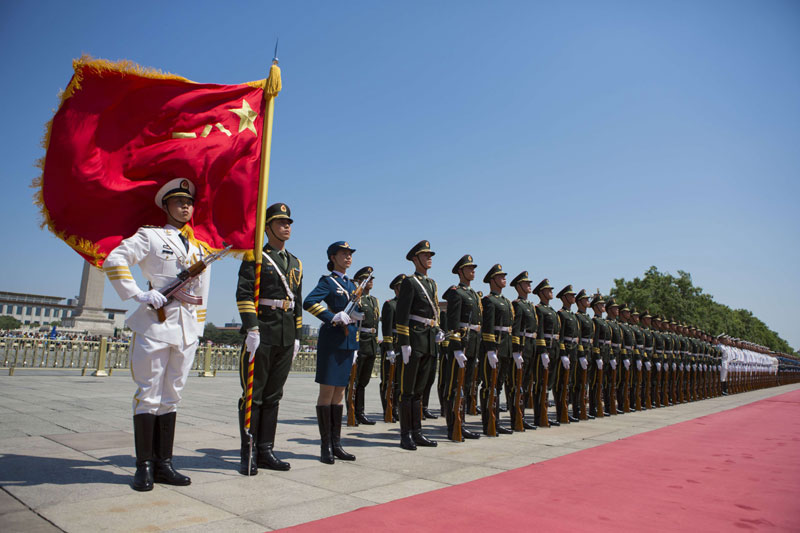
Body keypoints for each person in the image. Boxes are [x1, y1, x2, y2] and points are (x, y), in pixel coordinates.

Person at [104, 178, 209, 491]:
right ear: (165, 206)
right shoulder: (150, 236)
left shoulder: (202, 248)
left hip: (186, 328)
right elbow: (115, 260)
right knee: (149, 394)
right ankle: (144, 465)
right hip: (155, 324)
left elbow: (203, 292)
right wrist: (138, 294)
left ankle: (165, 463)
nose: (185, 207)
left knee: (172, 396)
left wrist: (198, 329)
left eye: (189, 202)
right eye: (178, 202)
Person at [235, 202, 302, 475]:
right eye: (280, 222)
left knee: (274, 395)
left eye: (288, 223)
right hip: (263, 330)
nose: (286, 227)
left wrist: (297, 335)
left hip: (285, 333)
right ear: (268, 227)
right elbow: (244, 293)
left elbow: (296, 301)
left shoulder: (295, 262)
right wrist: (251, 327)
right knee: (254, 395)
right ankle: (248, 452)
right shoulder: (256, 256)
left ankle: (266, 450)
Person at [303, 241, 359, 464]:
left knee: (339, 395)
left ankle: (337, 444)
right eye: (343, 254)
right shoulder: (328, 281)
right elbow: (309, 302)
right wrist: (331, 316)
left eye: (350, 254)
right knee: (327, 393)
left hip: (348, 342)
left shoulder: (353, 285)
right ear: (333, 257)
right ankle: (325, 446)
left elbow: (356, 313)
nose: (348, 257)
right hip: (332, 340)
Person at [395, 240, 441, 450]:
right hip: (414, 340)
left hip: (429, 340)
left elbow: (433, 313)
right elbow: (402, 315)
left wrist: (437, 330)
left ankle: (418, 432)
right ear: (415, 259)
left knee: (420, 390)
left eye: (430, 255)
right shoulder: (410, 282)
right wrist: (404, 343)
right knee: (408, 390)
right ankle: (406, 435)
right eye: (425, 255)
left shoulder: (431, 283)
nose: (429, 258)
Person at [442, 255, 482, 441]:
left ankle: (462, 423)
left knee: (465, 385)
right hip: (461, 344)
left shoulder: (474, 294)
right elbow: (452, 322)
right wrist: (456, 347)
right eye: (469, 268)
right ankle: (453, 426)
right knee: (454, 386)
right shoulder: (456, 292)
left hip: (473, 343)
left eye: (473, 268)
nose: (473, 270)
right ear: (460, 271)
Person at [479, 264, 514, 435]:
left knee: (498, 386)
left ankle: (496, 421)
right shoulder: (488, 301)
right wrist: (491, 349)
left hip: (506, 347)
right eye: (501, 276)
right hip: (495, 348)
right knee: (489, 386)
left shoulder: (506, 302)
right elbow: (487, 327)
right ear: (492, 280)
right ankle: (488, 422)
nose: (504, 278)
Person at [350, 266, 379, 425]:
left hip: (371, 342)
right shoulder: (356, 298)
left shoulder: (374, 300)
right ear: (360, 281)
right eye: (368, 279)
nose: (371, 282)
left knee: (363, 380)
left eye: (372, 279)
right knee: (354, 379)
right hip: (360, 340)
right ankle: (352, 411)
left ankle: (360, 412)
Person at [510, 271, 538, 429]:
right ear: (518, 286)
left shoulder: (530, 306)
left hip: (531, 345)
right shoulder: (517, 304)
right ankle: (516, 418)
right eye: (526, 283)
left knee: (527, 383)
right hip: (523, 345)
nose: (529, 285)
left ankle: (522, 416)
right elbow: (516, 329)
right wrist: (516, 350)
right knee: (518, 384)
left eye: (529, 283)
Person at [533, 279, 560, 427]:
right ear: (541, 292)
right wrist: (543, 351)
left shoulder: (552, 311)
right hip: (545, 349)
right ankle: (539, 416)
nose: (551, 292)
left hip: (554, 348)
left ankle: (544, 414)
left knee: (549, 383)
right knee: (541, 383)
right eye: (548, 289)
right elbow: (540, 332)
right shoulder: (539, 309)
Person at [379, 274, 405, 421]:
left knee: (400, 381)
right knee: (389, 380)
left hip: (403, 345)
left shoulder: (408, 305)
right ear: (396, 288)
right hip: (393, 345)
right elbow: (387, 328)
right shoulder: (390, 304)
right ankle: (388, 409)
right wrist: (389, 348)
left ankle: (397, 408)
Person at [555, 285, 579, 424]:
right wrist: (563, 353)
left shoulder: (572, 315)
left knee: (569, 383)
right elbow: (561, 336)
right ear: (564, 298)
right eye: (571, 295)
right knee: (562, 383)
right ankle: (561, 412)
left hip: (574, 351)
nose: (573, 297)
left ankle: (567, 411)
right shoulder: (562, 314)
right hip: (566, 352)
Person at [573, 289, 594, 420]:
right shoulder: (578, 317)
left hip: (589, 351)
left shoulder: (588, 318)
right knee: (578, 383)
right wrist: (581, 354)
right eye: (586, 299)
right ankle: (576, 410)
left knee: (586, 382)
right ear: (580, 302)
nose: (588, 301)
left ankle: (583, 409)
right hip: (582, 352)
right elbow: (578, 337)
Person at [589, 293, 610, 418]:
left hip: (606, 353)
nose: (603, 306)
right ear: (595, 307)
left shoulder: (604, 322)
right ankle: (593, 407)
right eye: (601, 304)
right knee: (595, 382)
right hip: (599, 354)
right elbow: (595, 340)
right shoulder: (595, 321)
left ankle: (600, 406)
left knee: (603, 381)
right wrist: (597, 357)